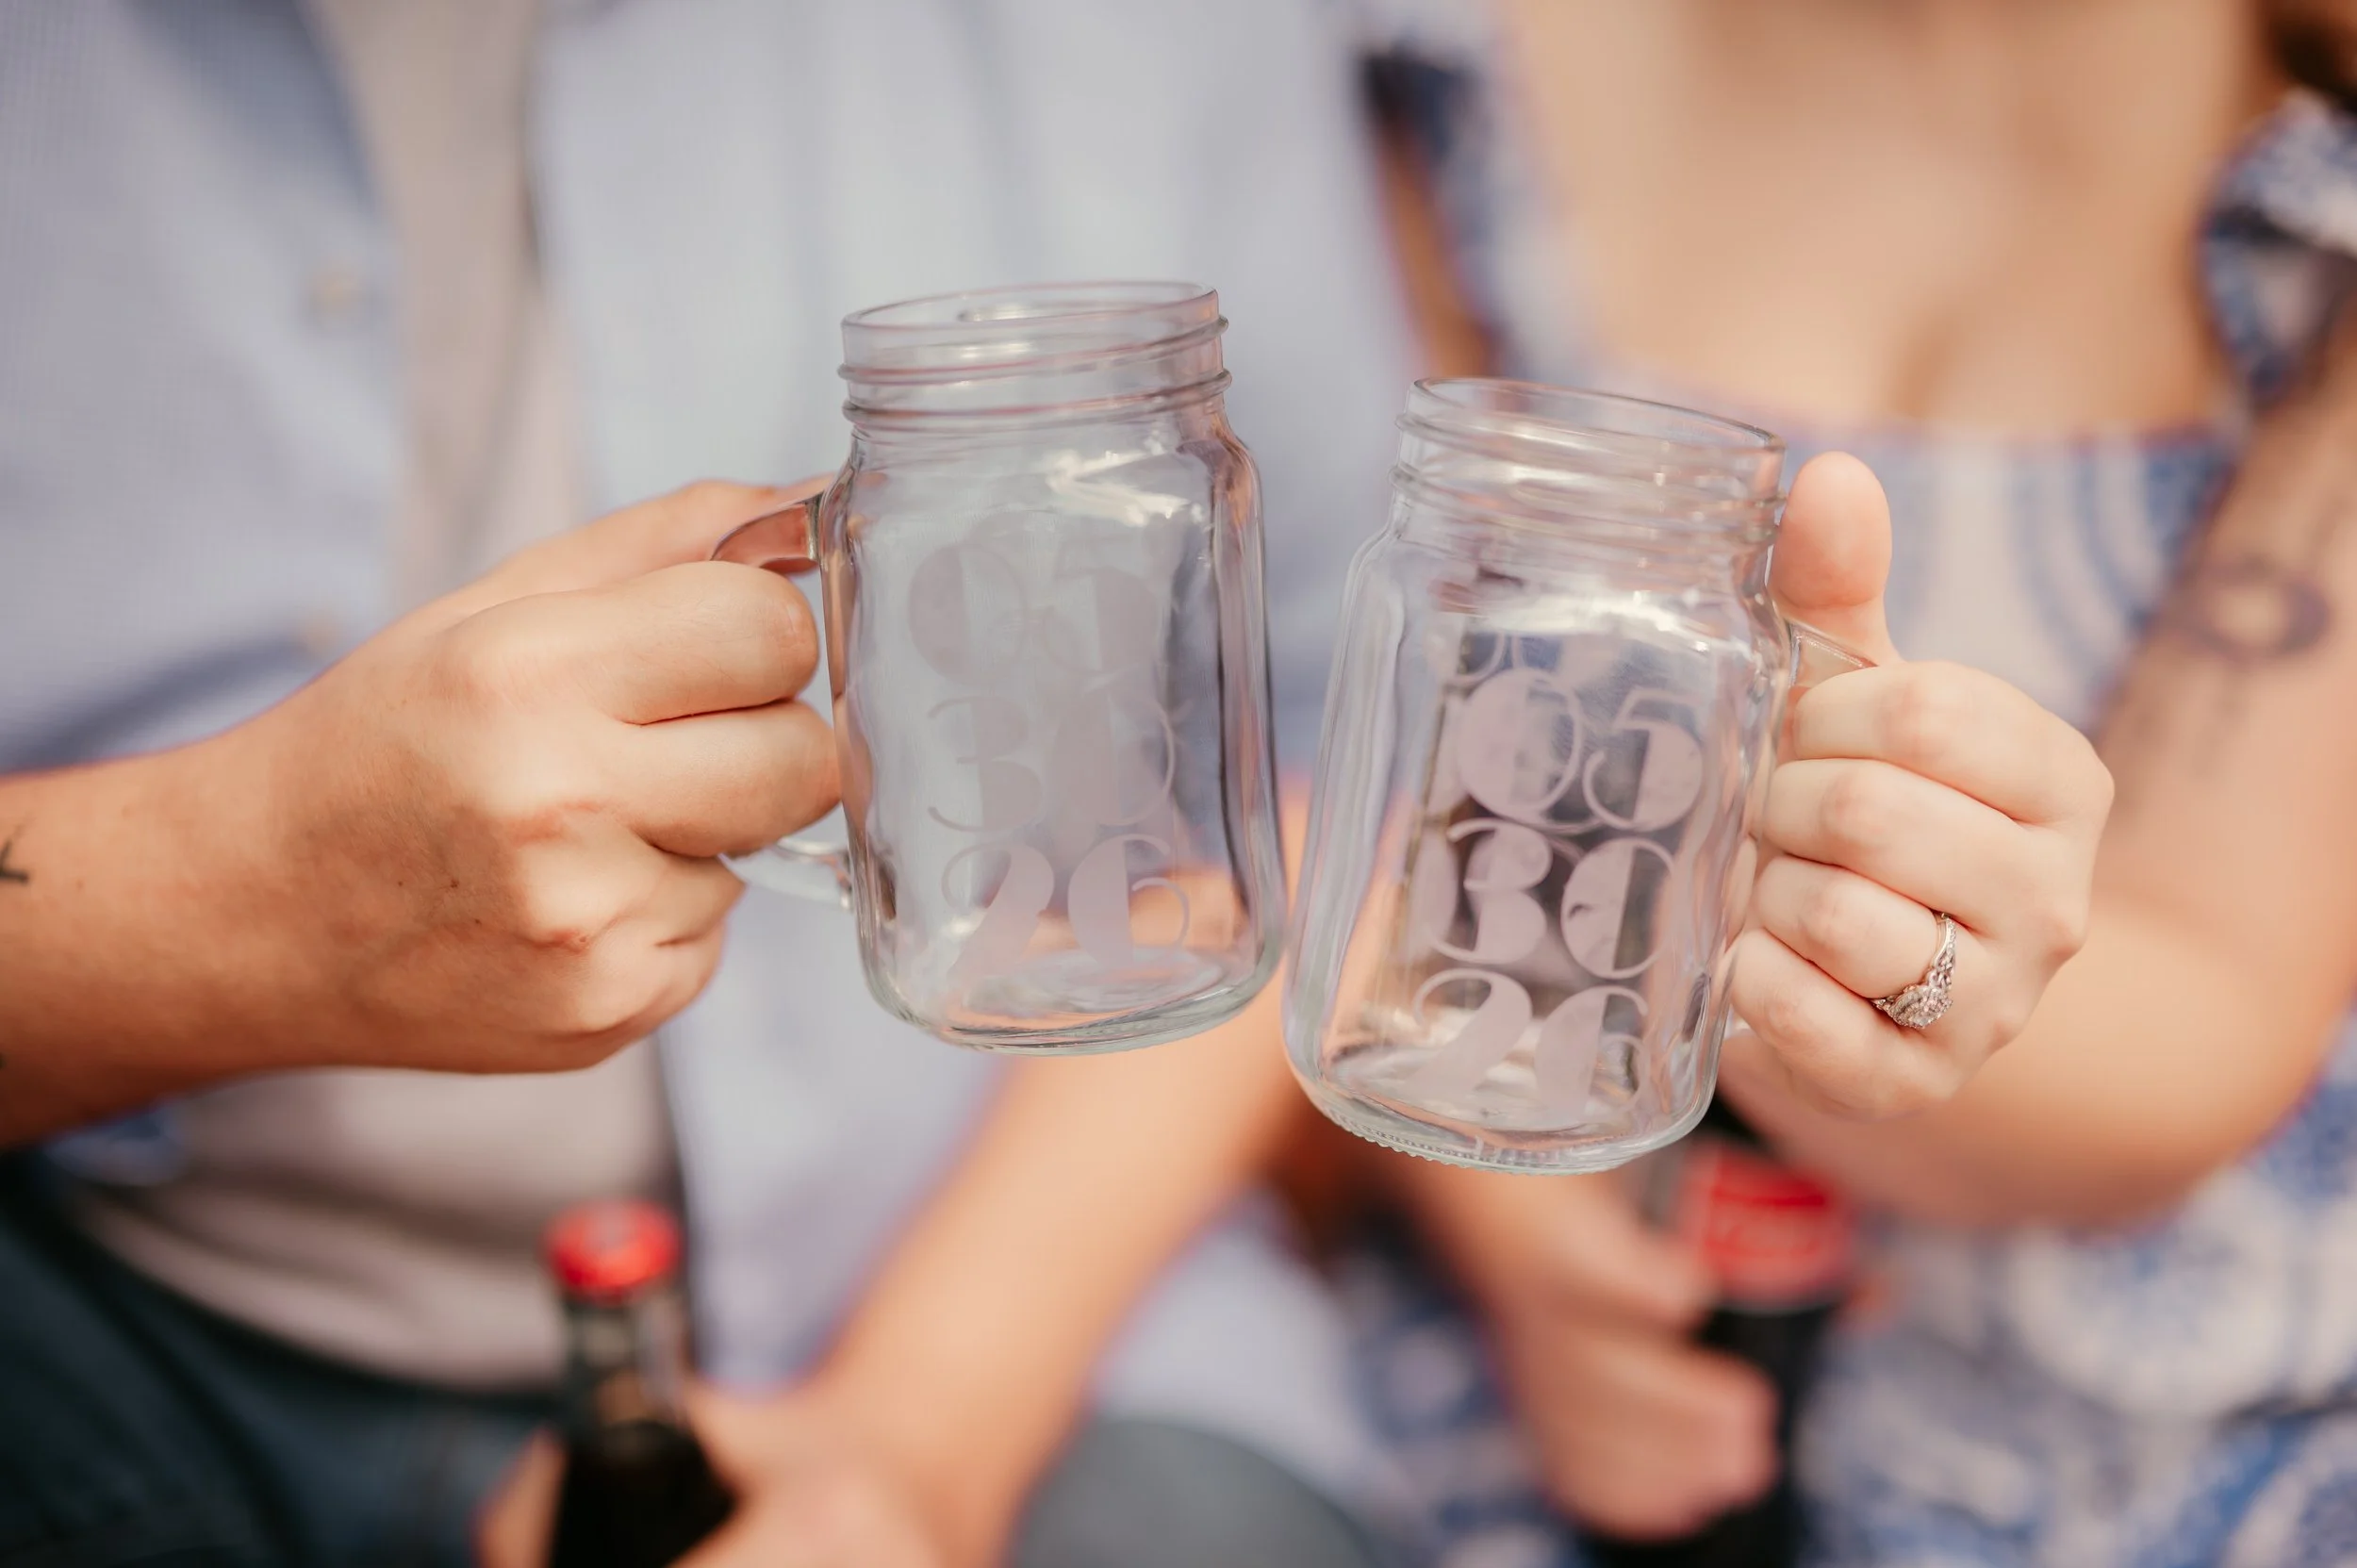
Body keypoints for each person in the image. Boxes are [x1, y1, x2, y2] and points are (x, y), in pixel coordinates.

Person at [0, 3, 1423, 1564]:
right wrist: (245, 890)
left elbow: (1320, 737)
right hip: (113, 1313)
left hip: (1033, 1298)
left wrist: (918, 1437)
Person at [1339, 1, 2357, 1563]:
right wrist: (1514, 1220)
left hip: (2138, 1465)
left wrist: (1842, 943)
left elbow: (2215, 1002)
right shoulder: (1433, 75)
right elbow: (1343, 804)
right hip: (1535, 1394)